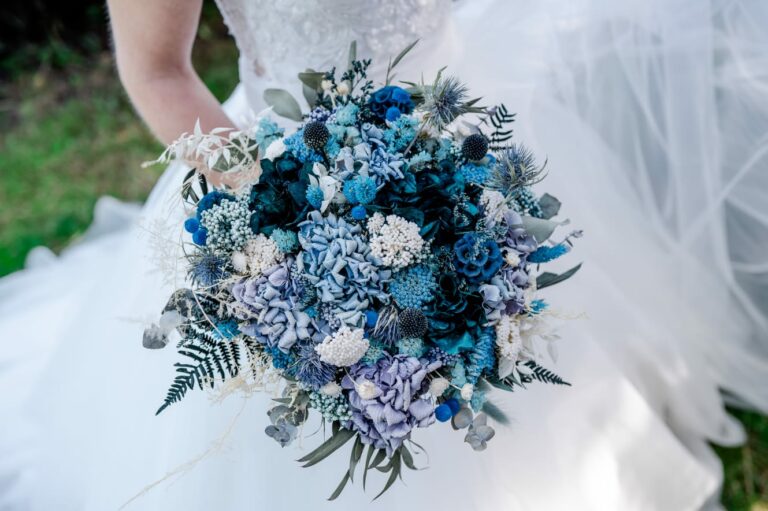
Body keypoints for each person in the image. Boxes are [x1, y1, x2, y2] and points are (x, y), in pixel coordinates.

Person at [2, 0, 767, 509]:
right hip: (294, 180)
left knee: (529, 353)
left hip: (477, 136)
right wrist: (293, 205)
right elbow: (156, 69)